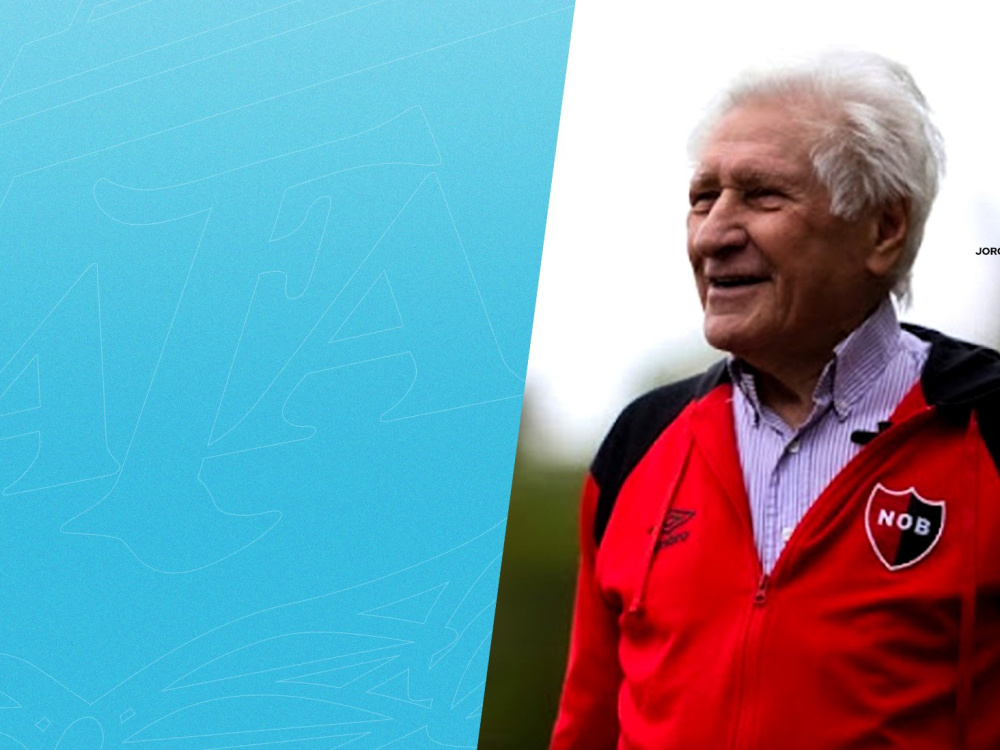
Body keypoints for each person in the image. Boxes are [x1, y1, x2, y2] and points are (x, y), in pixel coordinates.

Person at [550, 50, 1000, 750]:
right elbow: (585, 725)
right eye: (704, 198)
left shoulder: (986, 429)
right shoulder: (638, 444)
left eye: (762, 195)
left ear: (883, 229)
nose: (712, 235)